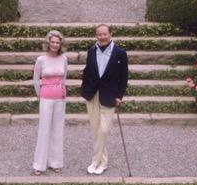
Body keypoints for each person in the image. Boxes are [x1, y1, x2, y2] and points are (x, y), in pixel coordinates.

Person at [79, 24, 129, 175]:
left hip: (110, 95)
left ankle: (96, 161)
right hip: (92, 94)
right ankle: (104, 161)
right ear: (96, 35)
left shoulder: (120, 53)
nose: (102, 37)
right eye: (99, 34)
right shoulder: (91, 51)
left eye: (104, 34)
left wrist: (120, 96)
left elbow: (124, 76)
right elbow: (87, 71)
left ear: (110, 34)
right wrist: (84, 89)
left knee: (104, 130)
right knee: (96, 130)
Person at [31, 30, 68, 174]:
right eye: (53, 42)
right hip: (46, 97)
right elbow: (35, 79)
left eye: (57, 42)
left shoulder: (64, 58)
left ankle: (56, 162)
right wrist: (39, 95)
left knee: (57, 130)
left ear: (60, 44)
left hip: (60, 97)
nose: (55, 45)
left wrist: (63, 89)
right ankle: (39, 165)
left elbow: (64, 76)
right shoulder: (41, 59)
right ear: (48, 43)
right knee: (44, 130)